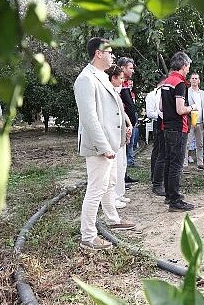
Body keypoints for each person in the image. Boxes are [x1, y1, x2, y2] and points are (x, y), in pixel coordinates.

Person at [74, 37, 135, 251]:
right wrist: (104, 147)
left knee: (109, 184)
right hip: (100, 146)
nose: (112, 56)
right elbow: (89, 117)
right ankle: (88, 237)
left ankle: (112, 219)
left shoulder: (101, 76)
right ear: (98, 53)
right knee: (96, 189)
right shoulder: (86, 79)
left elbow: (115, 107)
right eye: (109, 52)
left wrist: (125, 127)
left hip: (111, 142)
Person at [160, 51, 196, 211]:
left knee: (169, 162)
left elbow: (161, 106)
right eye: (188, 66)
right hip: (178, 128)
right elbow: (180, 109)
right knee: (176, 165)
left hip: (167, 127)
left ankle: (169, 195)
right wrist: (192, 108)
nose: (188, 69)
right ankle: (175, 200)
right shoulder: (180, 83)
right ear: (183, 65)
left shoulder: (167, 81)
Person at [105, 66, 134, 209]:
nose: (123, 81)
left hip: (121, 133)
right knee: (114, 167)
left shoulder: (117, 93)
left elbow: (122, 112)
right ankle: (113, 197)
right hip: (113, 135)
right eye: (121, 78)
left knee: (122, 164)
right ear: (113, 78)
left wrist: (129, 124)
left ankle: (120, 193)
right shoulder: (107, 93)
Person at [117, 57, 140, 183]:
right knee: (121, 151)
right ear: (122, 68)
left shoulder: (127, 84)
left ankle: (124, 175)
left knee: (127, 148)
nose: (133, 71)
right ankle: (120, 178)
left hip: (129, 123)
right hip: (122, 123)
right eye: (130, 68)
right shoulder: (117, 84)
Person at [184, 73, 204, 169]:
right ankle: (185, 163)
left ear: (199, 80)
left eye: (196, 78)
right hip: (190, 120)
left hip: (200, 121)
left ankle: (200, 162)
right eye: (193, 78)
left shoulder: (203, 94)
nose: (194, 80)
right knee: (187, 143)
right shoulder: (186, 92)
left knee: (200, 143)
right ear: (190, 80)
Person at [146, 76, 165, 183]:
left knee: (162, 150)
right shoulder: (151, 95)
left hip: (165, 123)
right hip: (158, 123)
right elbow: (149, 113)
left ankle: (160, 173)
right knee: (157, 150)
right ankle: (154, 174)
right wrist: (162, 115)